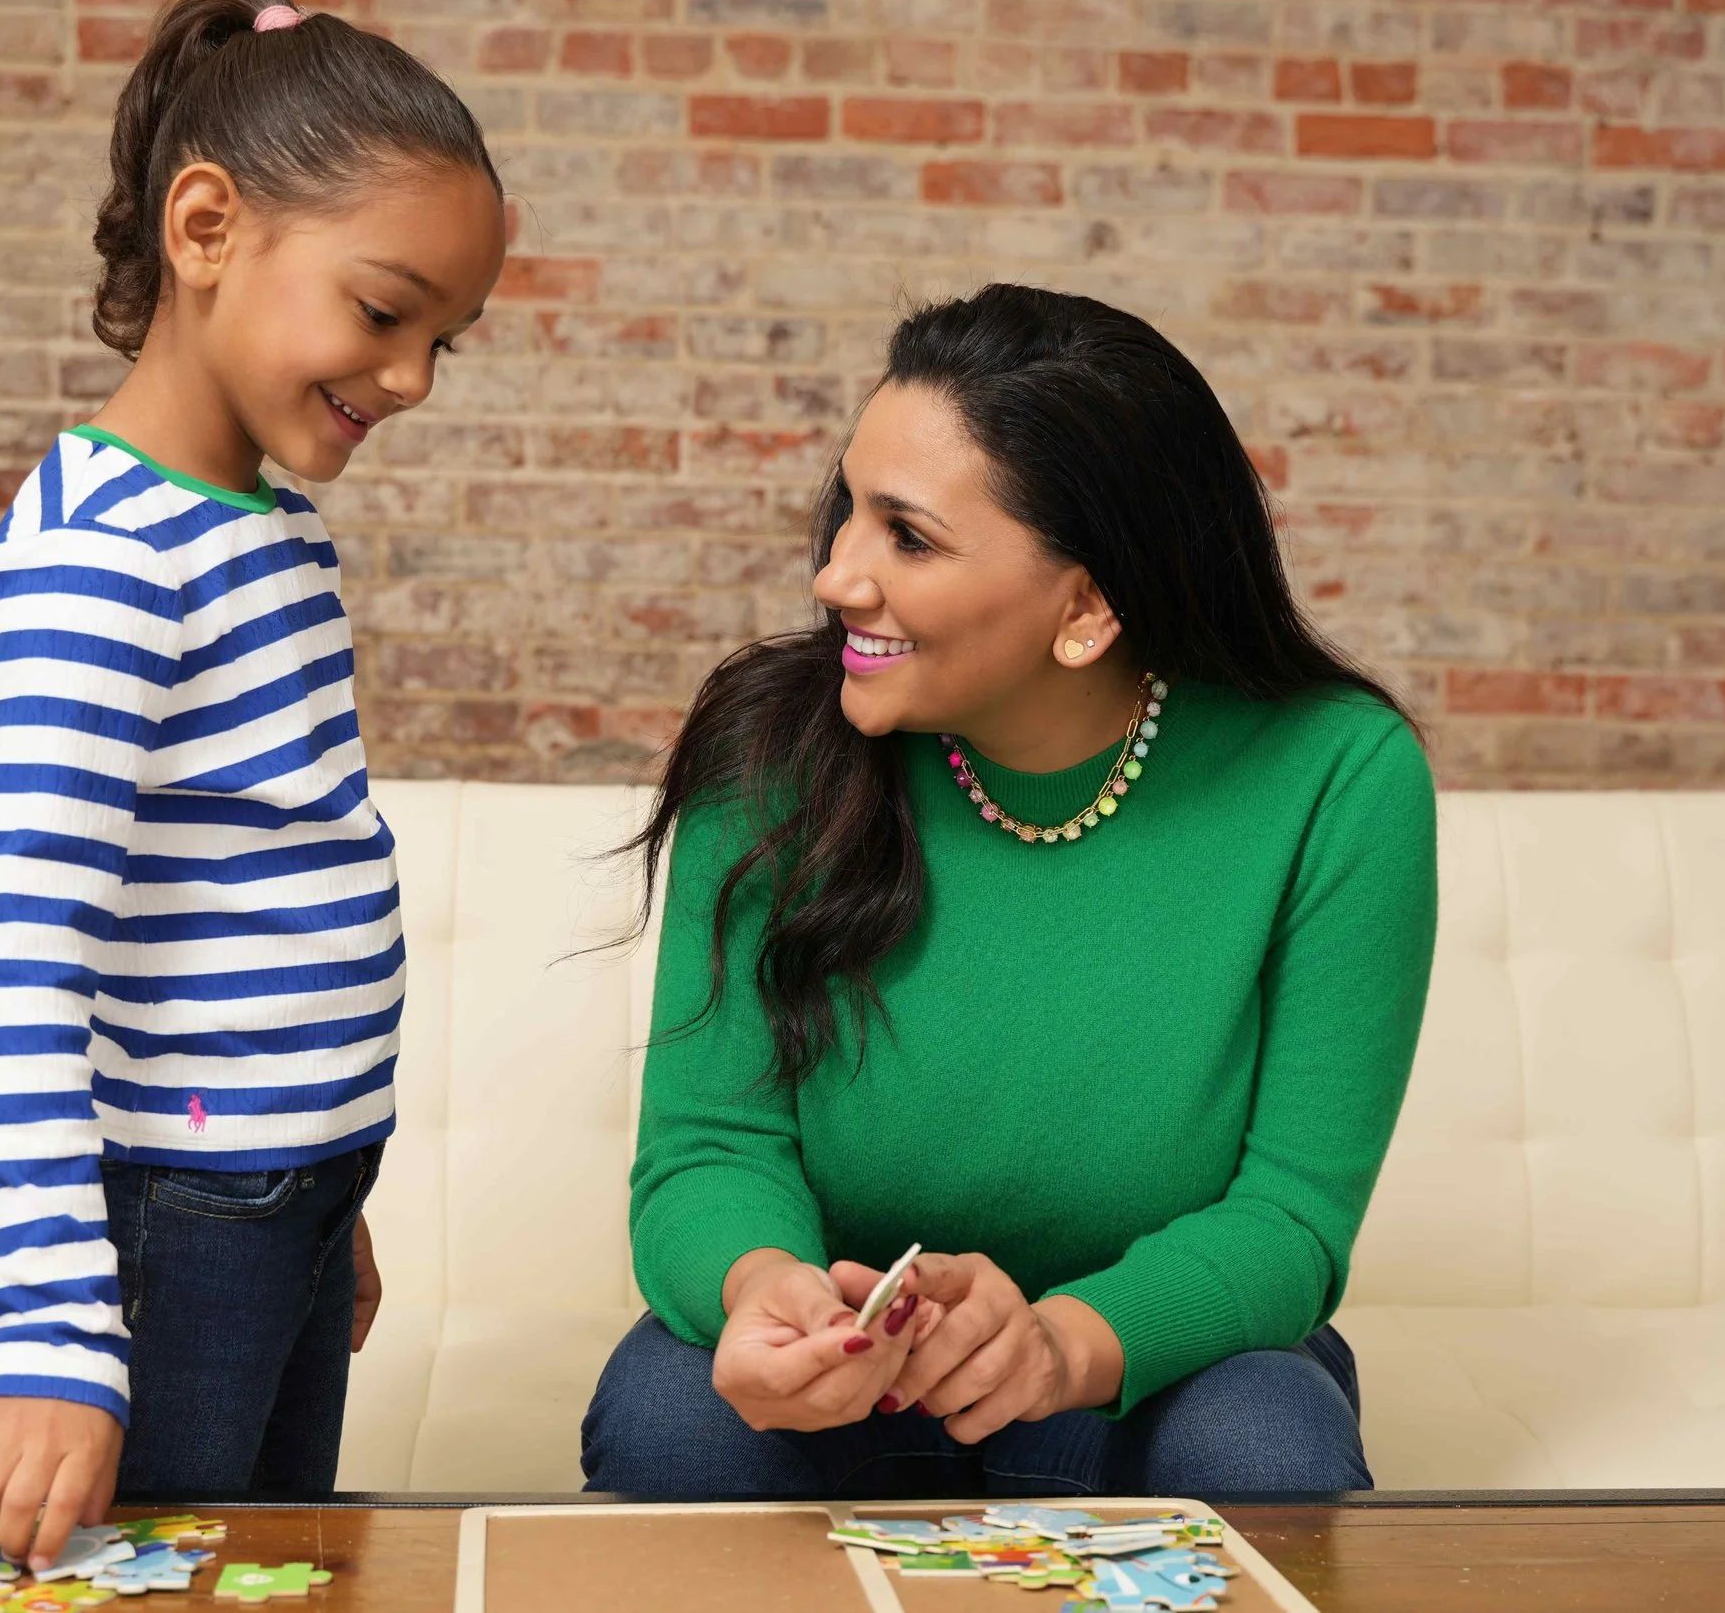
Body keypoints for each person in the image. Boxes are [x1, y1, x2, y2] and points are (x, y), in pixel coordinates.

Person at [581, 284, 1438, 1498]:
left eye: (907, 537)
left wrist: (1060, 1344)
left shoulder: (1338, 777)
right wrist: (762, 1286)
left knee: (1265, 1448)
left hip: (1142, 1362)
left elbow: (1290, 1215)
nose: (837, 576)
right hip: (849, 1367)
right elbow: (710, 1143)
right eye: (850, 511)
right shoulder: (771, 752)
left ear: (1084, 608)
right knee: (672, 1423)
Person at [0, 0, 505, 1562]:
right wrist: (56, 1324)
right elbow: (21, 965)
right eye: (385, 313)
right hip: (174, 1223)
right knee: (144, 1578)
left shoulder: (263, 531)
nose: (411, 379)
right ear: (206, 228)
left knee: (266, 1570)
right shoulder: (98, 563)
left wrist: (322, 1190)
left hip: (278, 1197)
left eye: (444, 340)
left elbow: (247, 886)